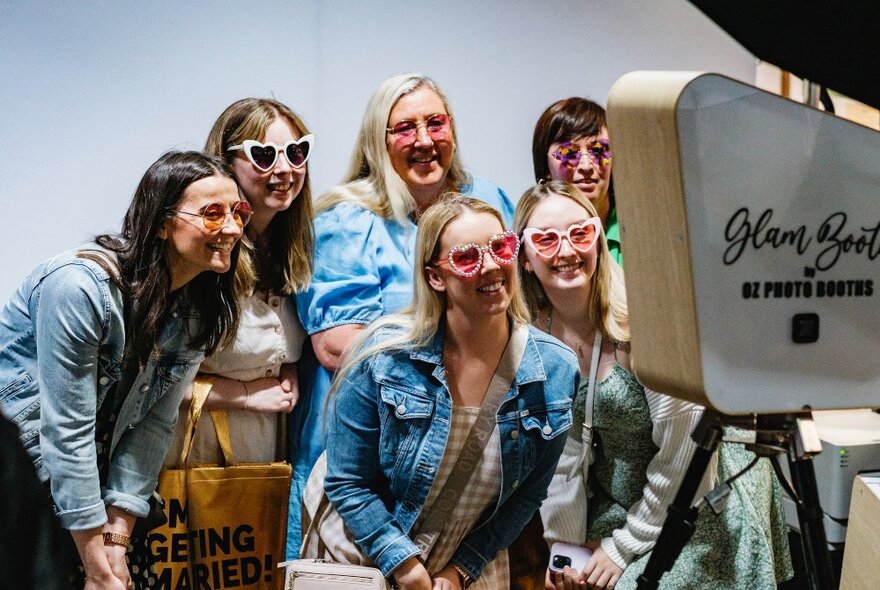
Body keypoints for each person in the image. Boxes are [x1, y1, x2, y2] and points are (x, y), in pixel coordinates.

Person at [513, 181, 792, 590]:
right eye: (546, 239)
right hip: (622, 497)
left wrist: (623, 546)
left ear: (597, 239)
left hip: (695, 493)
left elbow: (687, 448)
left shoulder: (641, 320)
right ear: (524, 258)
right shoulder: (536, 333)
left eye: (579, 233)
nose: (567, 251)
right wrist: (565, 546)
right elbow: (564, 455)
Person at [288, 73, 516, 554]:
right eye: (405, 128)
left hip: (472, 448)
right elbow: (338, 346)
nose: (424, 140)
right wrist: (468, 354)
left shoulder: (489, 200)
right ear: (378, 141)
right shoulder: (346, 220)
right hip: (366, 457)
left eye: (435, 123)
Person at [0, 151, 247, 589]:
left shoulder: (195, 306)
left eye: (237, 212)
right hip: (23, 477)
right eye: (212, 214)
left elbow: (152, 426)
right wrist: (96, 564)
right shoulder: (80, 287)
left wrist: (116, 539)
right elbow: (66, 431)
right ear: (161, 223)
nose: (231, 228)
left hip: (89, 485)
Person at [312, 195, 577, 589]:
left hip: (468, 565)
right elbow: (348, 481)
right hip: (362, 555)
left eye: (500, 247)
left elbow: (525, 498)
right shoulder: (381, 356)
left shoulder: (554, 370)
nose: (490, 265)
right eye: (467, 258)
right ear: (435, 277)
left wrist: (460, 570)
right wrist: (404, 565)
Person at [163, 98, 314, 466]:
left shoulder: (295, 251)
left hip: (262, 450)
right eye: (264, 155)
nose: (285, 169)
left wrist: (285, 367)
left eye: (296, 152)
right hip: (194, 450)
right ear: (226, 163)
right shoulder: (199, 252)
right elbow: (151, 378)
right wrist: (244, 393)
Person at [532, 98, 621, 265]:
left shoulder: (643, 228)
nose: (586, 165)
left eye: (598, 150)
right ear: (544, 167)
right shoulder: (532, 241)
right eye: (569, 153)